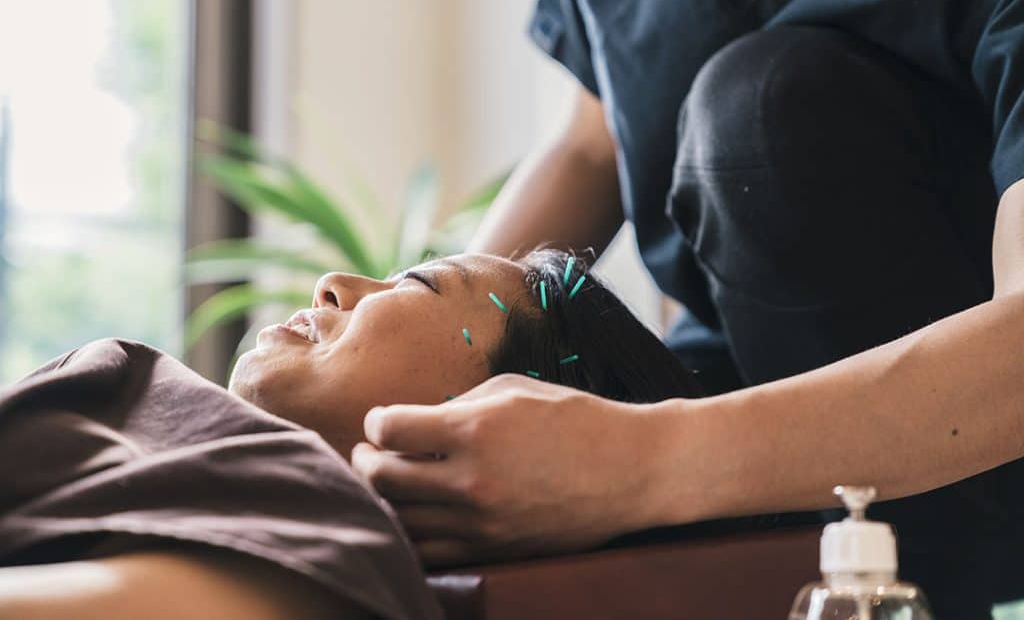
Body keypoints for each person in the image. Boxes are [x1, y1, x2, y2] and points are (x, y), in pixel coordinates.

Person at [349, 0, 1024, 617]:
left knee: (758, 115)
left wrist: (642, 463)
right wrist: (409, 311)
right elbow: (594, 138)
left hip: (972, 449)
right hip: (716, 381)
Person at [0, 250, 698, 618]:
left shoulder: (326, 538)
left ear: (497, 420)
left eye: (418, 283)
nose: (331, 284)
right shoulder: (177, 435)